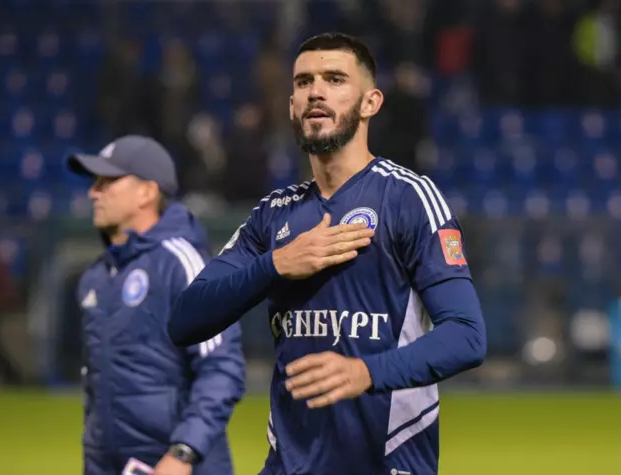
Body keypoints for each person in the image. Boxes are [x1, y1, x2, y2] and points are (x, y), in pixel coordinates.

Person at [168, 33, 487, 475]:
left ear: (371, 102)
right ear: (292, 106)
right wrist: (276, 264)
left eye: (335, 79)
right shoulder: (273, 214)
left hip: (385, 463)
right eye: (303, 82)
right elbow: (185, 320)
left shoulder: (409, 197)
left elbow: (467, 336)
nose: (315, 91)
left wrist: (366, 373)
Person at [67, 135, 245, 475]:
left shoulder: (182, 263)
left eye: (107, 181)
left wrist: (184, 452)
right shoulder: (96, 277)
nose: (93, 192)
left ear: (147, 192)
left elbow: (221, 368)